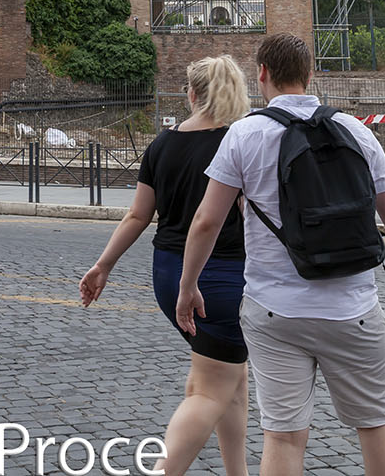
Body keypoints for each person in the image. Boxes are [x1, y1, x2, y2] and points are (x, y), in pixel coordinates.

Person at [177, 34, 385, 476]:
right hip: (353, 308)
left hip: (274, 310)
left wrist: (188, 285)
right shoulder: (357, 131)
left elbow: (207, 221)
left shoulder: (245, 133)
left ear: (262, 74)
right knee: (377, 426)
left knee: (283, 437)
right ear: (310, 74)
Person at [81, 56, 252, 476]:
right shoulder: (237, 142)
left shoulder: (162, 144)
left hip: (167, 273)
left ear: (191, 94)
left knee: (228, 378)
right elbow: (245, 215)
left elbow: (138, 215)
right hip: (217, 278)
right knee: (209, 392)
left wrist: (103, 265)